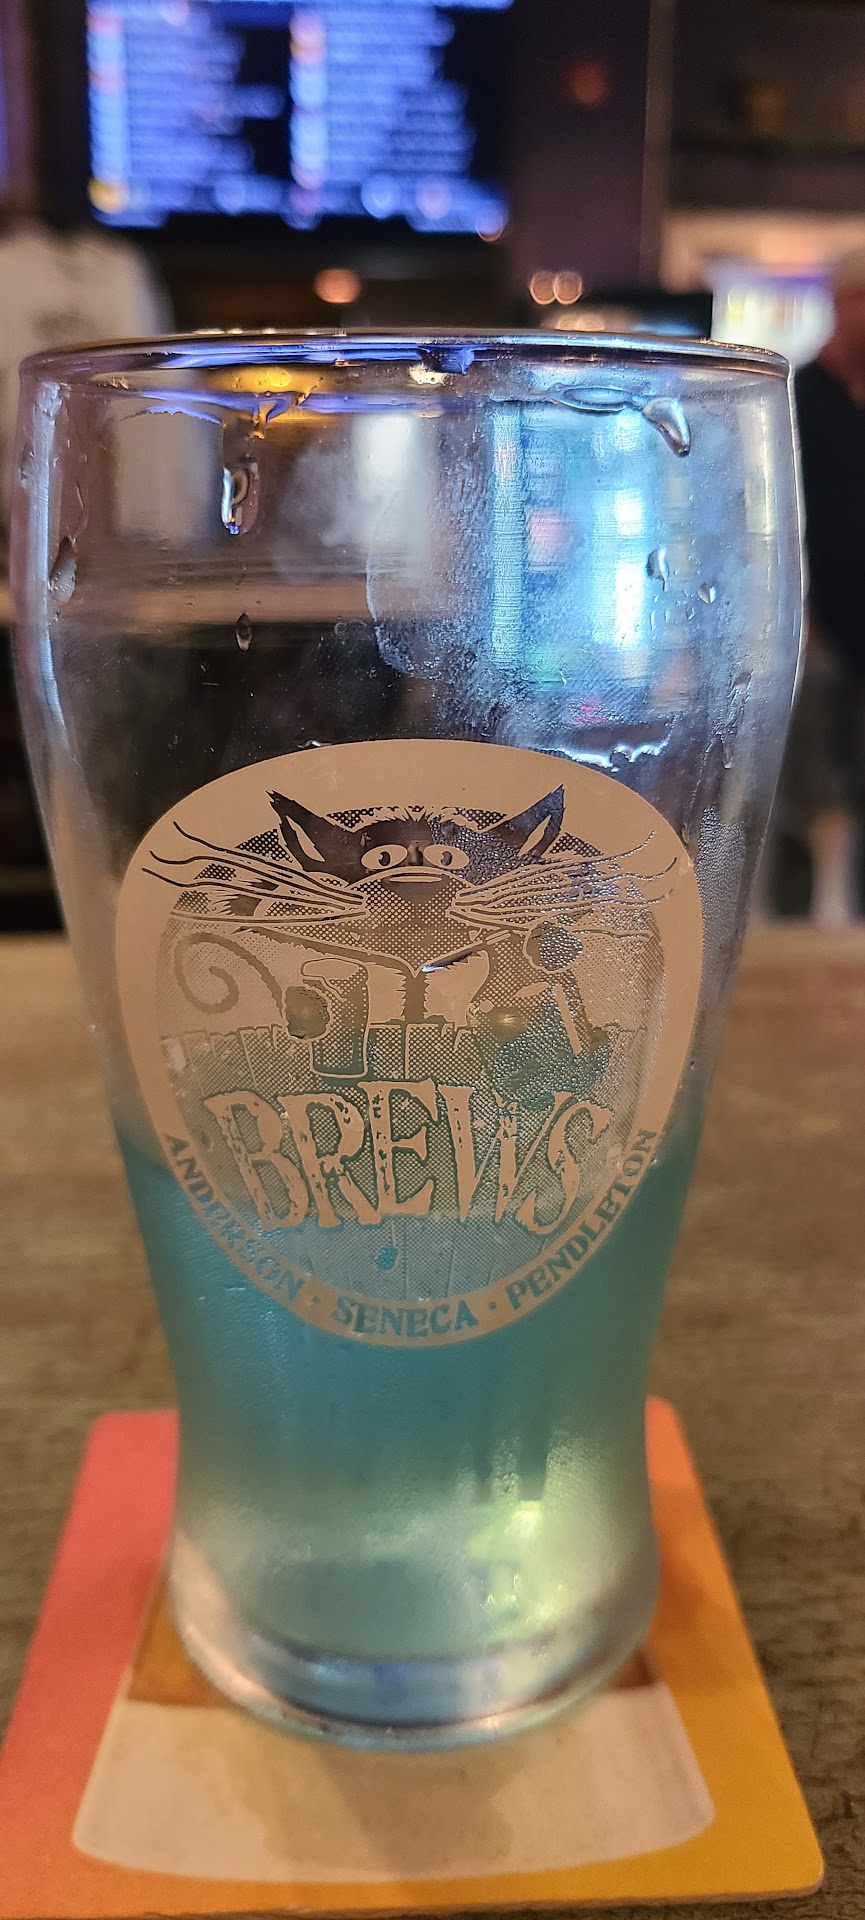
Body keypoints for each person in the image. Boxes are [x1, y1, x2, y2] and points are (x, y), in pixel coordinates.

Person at [781, 248, 865, 924]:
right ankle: (785, 938)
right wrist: (796, 614)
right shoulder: (799, 396)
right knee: (797, 797)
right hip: (813, 630)